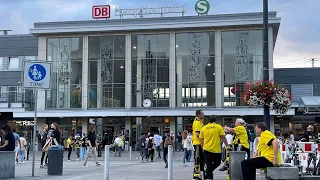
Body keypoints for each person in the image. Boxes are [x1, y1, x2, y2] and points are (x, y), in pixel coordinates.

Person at [200, 115, 229, 180]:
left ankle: (208, 173)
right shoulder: (218, 127)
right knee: (218, 163)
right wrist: (227, 145)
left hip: (207, 149)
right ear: (215, 120)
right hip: (216, 150)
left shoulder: (204, 128)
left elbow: (201, 139)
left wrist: (202, 147)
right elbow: (223, 137)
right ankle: (209, 173)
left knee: (208, 164)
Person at [192, 109, 206, 179]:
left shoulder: (200, 122)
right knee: (198, 159)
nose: (204, 115)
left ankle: (200, 174)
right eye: (202, 114)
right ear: (199, 115)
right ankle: (196, 175)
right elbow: (198, 134)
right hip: (198, 143)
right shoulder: (197, 122)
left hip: (199, 143)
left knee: (201, 160)